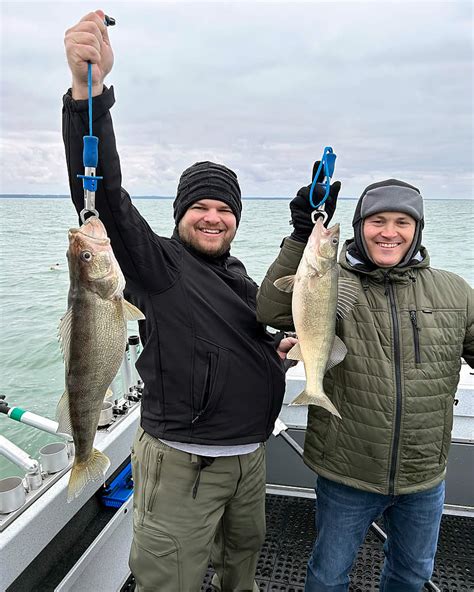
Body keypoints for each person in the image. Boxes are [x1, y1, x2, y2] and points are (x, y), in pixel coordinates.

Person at [62, 10, 340, 592]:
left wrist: (276, 349)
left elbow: (235, 333)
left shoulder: (236, 275)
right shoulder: (155, 265)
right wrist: (89, 96)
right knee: (173, 580)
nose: (213, 217)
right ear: (180, 215)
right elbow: (106, 197)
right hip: (184, 466)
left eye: (225, 209)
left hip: (248, 460)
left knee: (243, 568)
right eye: (201, 207)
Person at [256, 174, 473, 591]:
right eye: (377, 221)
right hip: (346, 470)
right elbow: (271, 308)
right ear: (359, 227)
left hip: (423, 473)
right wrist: (303, 236)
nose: (388, 232)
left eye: (401, 222)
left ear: (417, 229)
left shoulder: (457, 291)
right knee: (328, 575)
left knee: (412, 575)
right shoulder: (335, 279)